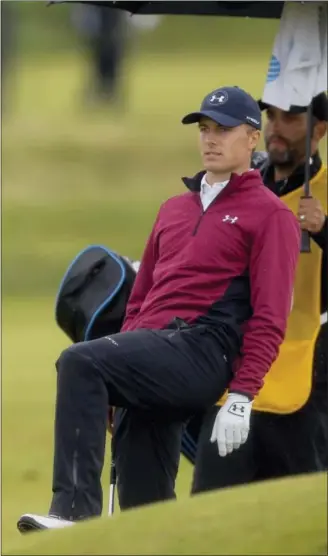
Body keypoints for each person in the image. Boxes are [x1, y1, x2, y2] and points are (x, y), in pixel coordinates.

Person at [17, 86, 301, 533]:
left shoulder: (270, 214)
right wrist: (119, 371)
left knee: (79, 361)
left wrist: (244, 395)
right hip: (154, 349)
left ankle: (74, 512)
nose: (210, 139)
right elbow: (140, 301)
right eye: (205, 129)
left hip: (205, 348)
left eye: (223, 130)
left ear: (252, 138)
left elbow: (270, 314)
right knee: (143, 510)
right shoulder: (172, 210)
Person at [191, 92, 328, 495]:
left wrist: (324, 229)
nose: (276, 129)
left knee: (297, 513)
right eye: (271, 116)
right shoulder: (237, 186)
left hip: (309, 371)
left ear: (319, 130)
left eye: (290, 118)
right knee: (210, 507)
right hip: (235, 362)